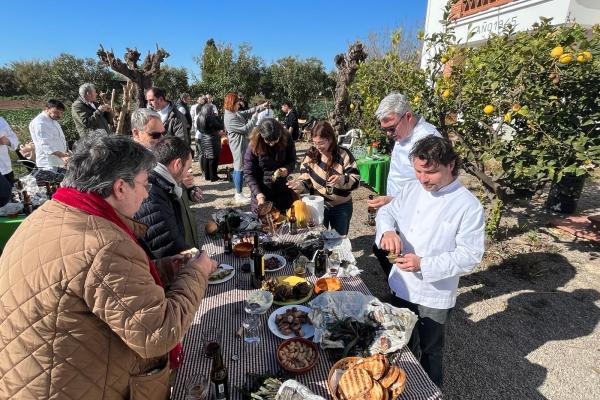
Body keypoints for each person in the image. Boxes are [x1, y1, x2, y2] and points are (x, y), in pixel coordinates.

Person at [0, 134, 217, 399]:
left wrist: (162, 269)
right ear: (120, 188)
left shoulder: (50, 214)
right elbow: (158, 333)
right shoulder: (103, 245)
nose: (147, 193)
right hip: (68, 386)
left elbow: (92, 285)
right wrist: (198, 271)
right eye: (144, 183)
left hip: (34, 377)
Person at [375, 135, 485, 387]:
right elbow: (387, 211)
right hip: (401, 283)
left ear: (450, 165)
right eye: (417, 171)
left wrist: (423, 264)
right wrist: (388, 232)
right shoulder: (413, 188)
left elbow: (470, 256)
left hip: (433, 293)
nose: (423, 179)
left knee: (431, 349)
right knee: (402, 341)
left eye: (431, 172)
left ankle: (430, 390)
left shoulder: (468, 206)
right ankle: (404, 384)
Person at [368, 92, 442, 275]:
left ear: (408, 116)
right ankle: (397, 288)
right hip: (396, 204)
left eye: (391, 128)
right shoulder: (404, 134)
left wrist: (394, 199)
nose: (388, 134)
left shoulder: (428, 139)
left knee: (401, 256)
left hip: (414, 210)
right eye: (384, 129)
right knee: (382, 249)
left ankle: (403, 296)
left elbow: (435, 183)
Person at [131, 111, 202, 255]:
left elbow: (172, 183)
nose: (162, 139)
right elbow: (164, 243)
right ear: (136, 133)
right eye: (155, 135)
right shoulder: (135, 169)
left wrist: (189, 189)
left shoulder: (157, 157)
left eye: (164, 133)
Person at [288, 121, 360, 235]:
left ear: (330, 139)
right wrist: (299, 185)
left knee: (340, 239)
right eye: (315, 143)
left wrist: (342, 179)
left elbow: (356, 180)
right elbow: (305, 177)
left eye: (321, 143)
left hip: (341, 206)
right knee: (318, 239)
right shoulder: (311, 154)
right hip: (317, 205)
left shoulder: (344, 154)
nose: (318, 147)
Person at [134, 136, 195, 258]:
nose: (188, 173)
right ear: (177, 164)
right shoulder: (154, 194)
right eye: (188, 168)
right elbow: (171, 249)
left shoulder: (157, 180)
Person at [223, 92, 268, 205]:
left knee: (239, 167)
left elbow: (245, 113)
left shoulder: (234, 112)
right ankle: (238, 194)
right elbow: (245, 129)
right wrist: (254, 118)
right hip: (238, 145)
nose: (240, 104)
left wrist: (259, 107)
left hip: (242, 143)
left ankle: (240, 193)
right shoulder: (229, 117)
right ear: (232, 103)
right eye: (238, 102)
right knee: (239, 168)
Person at [244, 118, 297, 214]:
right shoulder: (254, 145)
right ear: (261, 136)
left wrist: (287, 169)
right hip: (261, 191)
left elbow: (292, 160)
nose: (272, 144)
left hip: (282, 192)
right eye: (268, 142)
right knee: (264, 224)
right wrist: (258, 195)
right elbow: (249, 173)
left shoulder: (287, 138)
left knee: (284, 221)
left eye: (275, 141)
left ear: (280, 135)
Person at [28, 99, 70, 170]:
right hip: (48, 164)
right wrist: (63, 156)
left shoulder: (53, 120)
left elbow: (59, 139)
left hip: (58, 161)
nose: (59, 115)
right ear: (47, 109)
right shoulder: (40, 123)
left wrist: (66, 153)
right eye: (56, 112)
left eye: (61, 113)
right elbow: (46, 145)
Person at [196, 103, 224, 182]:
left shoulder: (200, 117)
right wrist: (218, 117)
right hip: (212, 138)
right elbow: (220, 126)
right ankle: (213, 176)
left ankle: (207, 176)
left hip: (204, 137)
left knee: (206, 157)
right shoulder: (210, 117)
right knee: (213, 158)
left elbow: (198, 128)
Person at [0, 117, 19, 184]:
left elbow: (15, 141)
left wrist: (7, 141)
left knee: (9, 192)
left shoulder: (1, 120)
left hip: (6, 169)